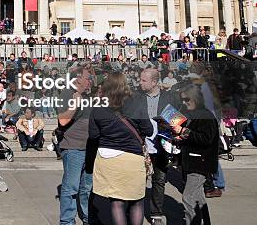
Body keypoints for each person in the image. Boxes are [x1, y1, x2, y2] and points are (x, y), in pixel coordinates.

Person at [88, 72, 153, 225]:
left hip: (108, 158)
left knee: (116, 202)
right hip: (132, 157)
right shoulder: (136, 102)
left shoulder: (99, 107)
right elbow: (148, 130)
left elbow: (93, 135)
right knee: (137, 200)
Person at [124, 68, 180, 225]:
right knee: (136, 180)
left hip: (161, 145)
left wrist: (170, 126)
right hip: (140, 145)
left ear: (154, 82)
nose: (140, 83)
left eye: (144, 80)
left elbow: (178, 120)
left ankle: (156, 214)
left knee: (159, 180)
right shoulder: (135, 97)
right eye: (140, 80)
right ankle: (133, 210)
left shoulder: (170, 98)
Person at [171, 85, 218, 225]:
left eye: (187, 100)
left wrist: (184, 132)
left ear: (196, 99)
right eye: (182, 100)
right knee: (198, 199)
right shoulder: (193, 114)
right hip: (191, 162)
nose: (184, 103)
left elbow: (206, 139)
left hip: (200, 163)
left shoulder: (206, 115)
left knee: (189, 198)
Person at [57, 71, 94, 225]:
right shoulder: (67, 94)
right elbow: (63, 121)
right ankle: (67, 221)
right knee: (70, 188)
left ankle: (88, 218)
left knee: (87, 188)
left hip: (90, 148)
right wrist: (75, 104)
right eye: (88, 78)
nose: (90, 81)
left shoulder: (89, 96)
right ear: (77, 80)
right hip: (73, 149)